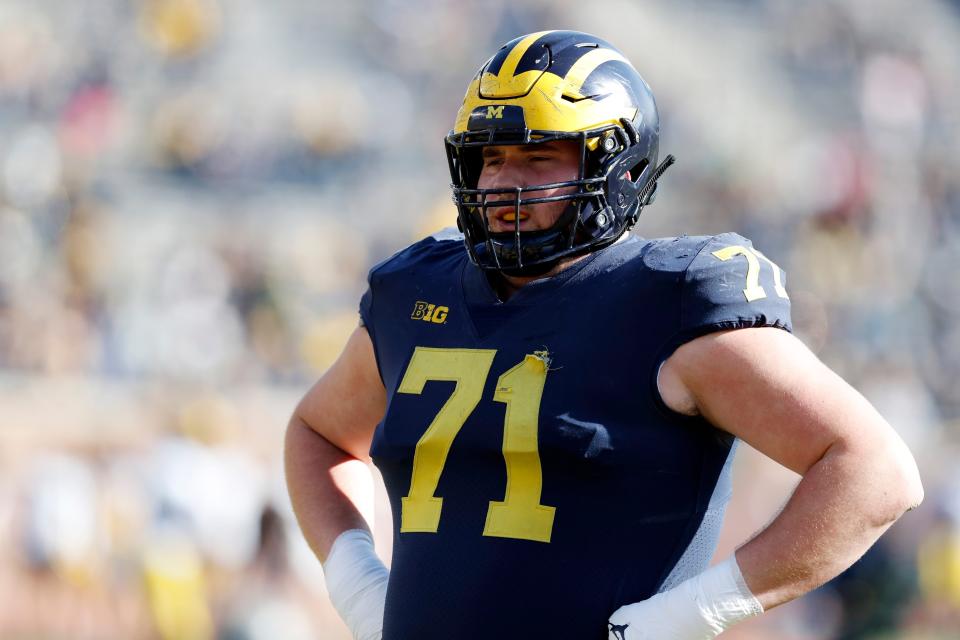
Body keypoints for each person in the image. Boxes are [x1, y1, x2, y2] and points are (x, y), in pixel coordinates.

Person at [284, 30, 923, 640]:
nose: (505, 183)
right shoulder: (414, 292)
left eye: (538, 158)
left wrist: (693, 613)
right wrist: (358, 585)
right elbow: (316, 434)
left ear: (615, 168)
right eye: (492, 158)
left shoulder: (672, 299)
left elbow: (874, 472)